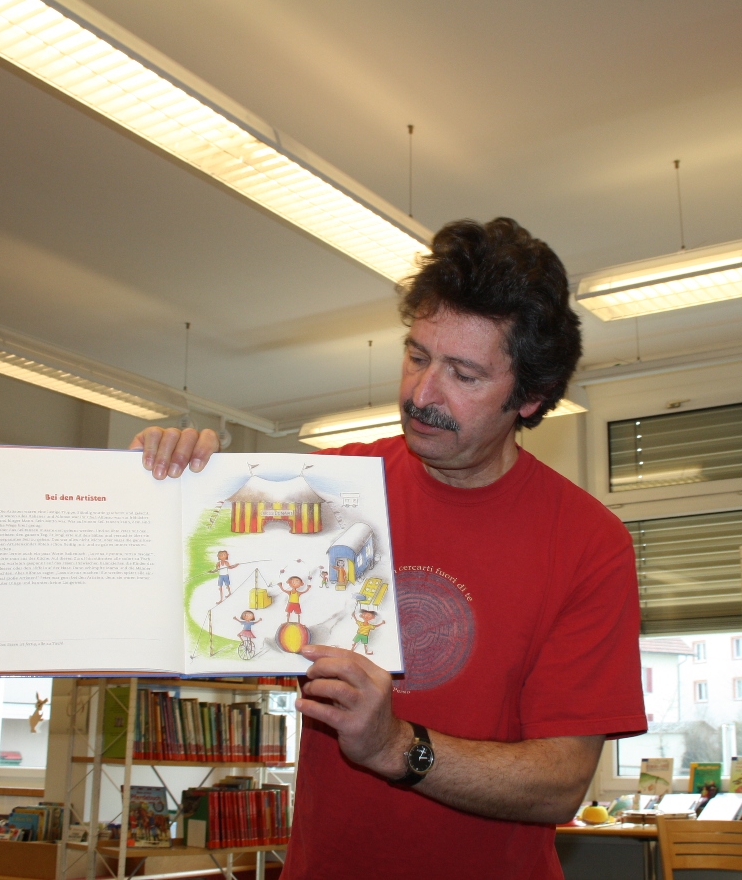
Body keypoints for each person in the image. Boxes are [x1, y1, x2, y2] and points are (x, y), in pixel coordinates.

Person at [132, 217, 646, 879]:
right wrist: (162, 491)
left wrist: (394, 746)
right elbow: (196, 610)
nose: (421, 395)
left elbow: (560, 782)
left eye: (463, 374)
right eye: (417, 356)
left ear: (530, 399)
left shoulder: (588, 543)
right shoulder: (329, 486)